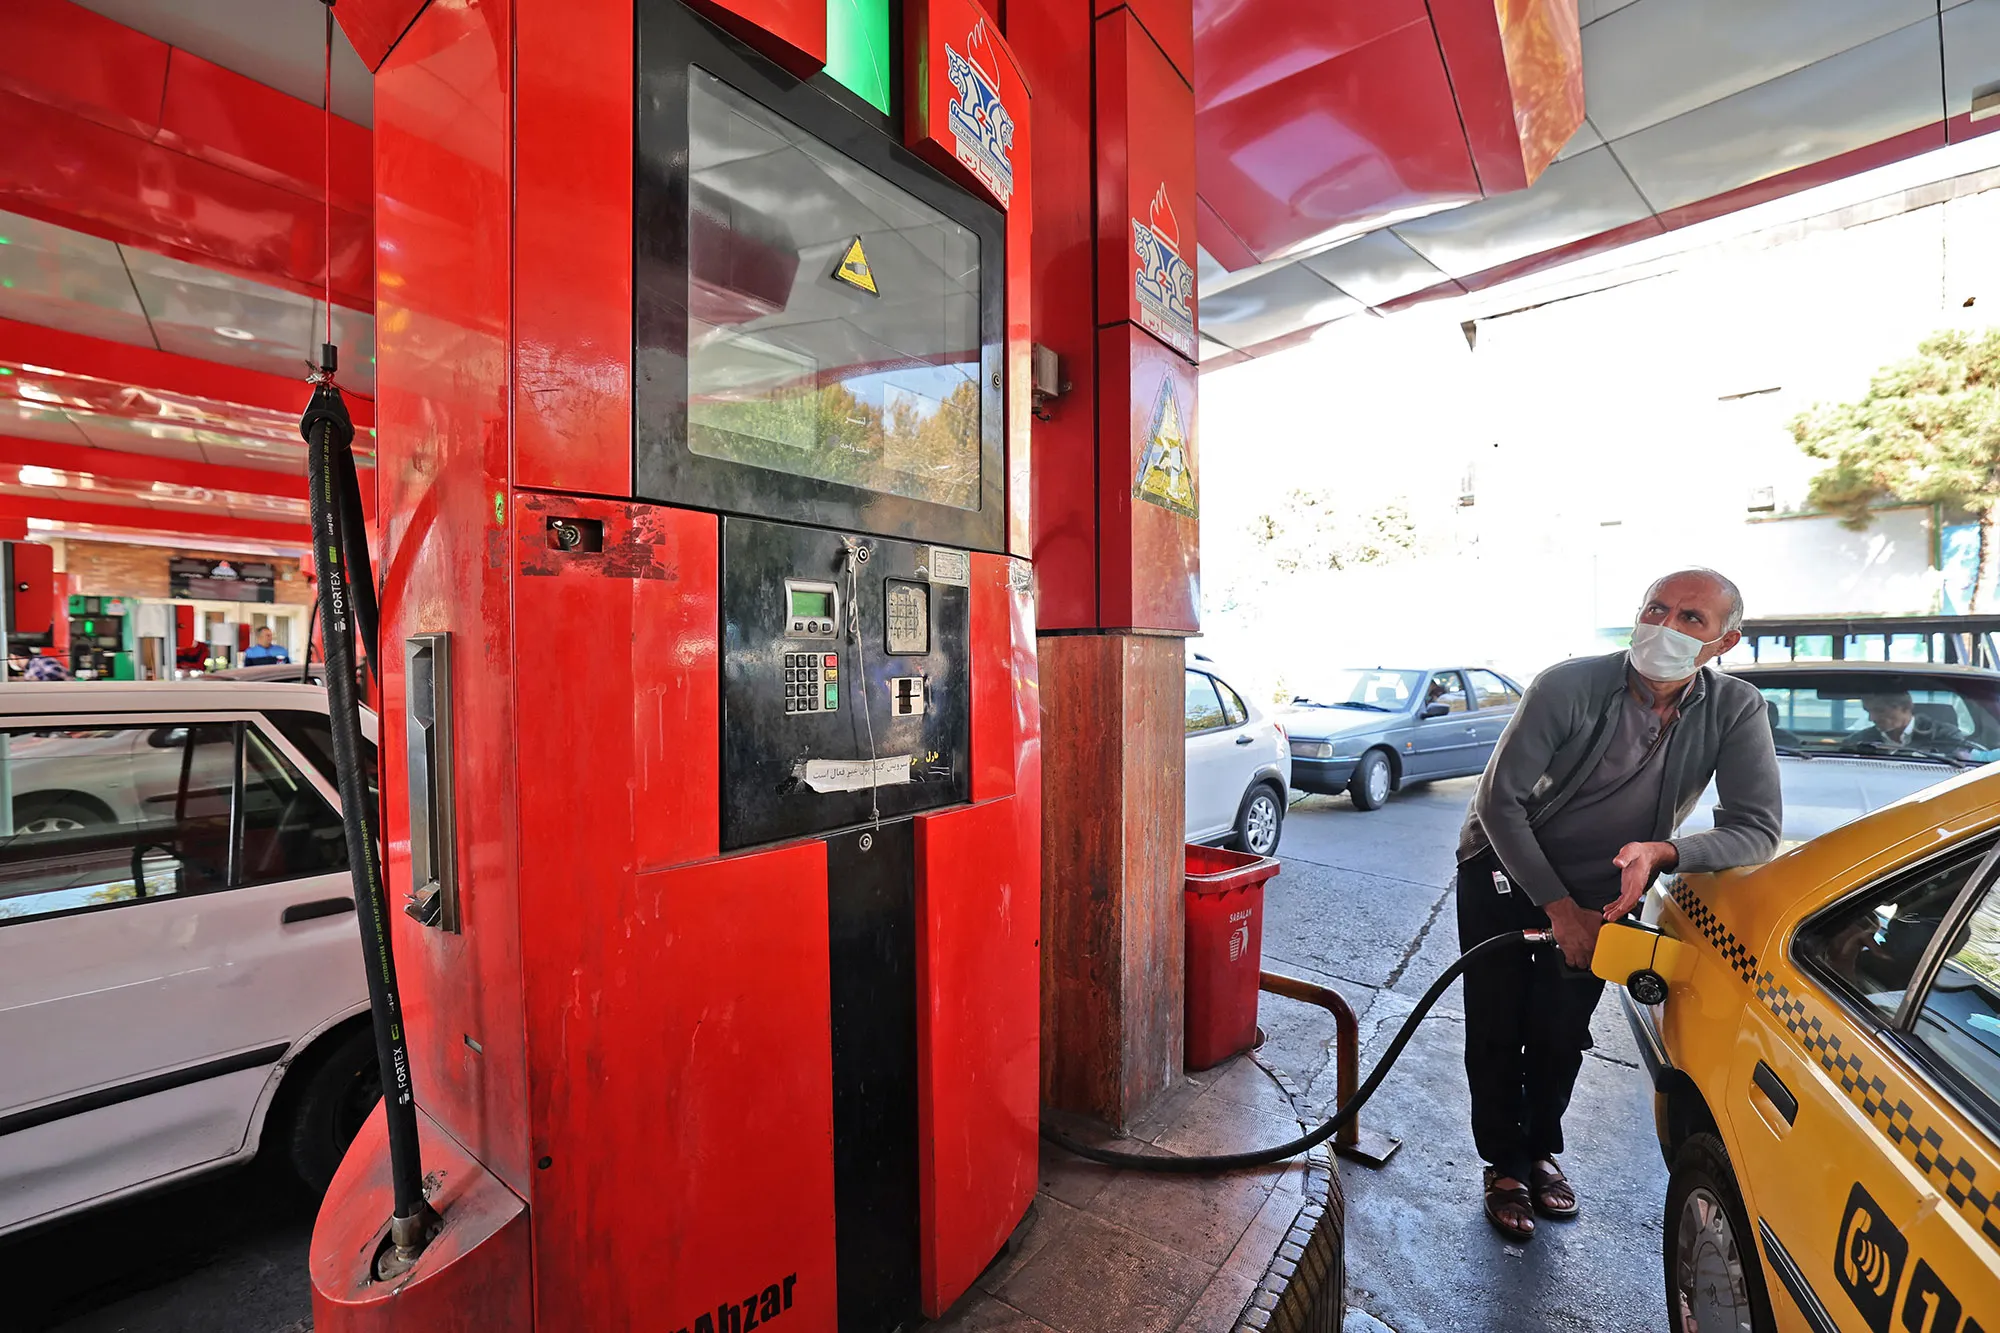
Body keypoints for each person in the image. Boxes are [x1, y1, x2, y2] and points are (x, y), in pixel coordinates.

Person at [1456, 569, 1781, 1242]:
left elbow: (1757, 827)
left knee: (1561, 1028)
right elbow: (1499, 802)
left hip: (1609, 895)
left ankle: (1539, 1148)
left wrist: (1662, 853)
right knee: (1494, 1025)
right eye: (1656, 608)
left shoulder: (1734, 708)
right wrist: (1558, 908)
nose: (1665, 626)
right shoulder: (1567, 685)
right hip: (1505, 869)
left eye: (1691, 618)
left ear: (1724, 642)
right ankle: (1503, 1164)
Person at [1841, 691, 1973, 760]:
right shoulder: (1856, 742)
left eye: (1880, 711)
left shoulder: (1946, 737)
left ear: (1906, 707)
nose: (1872, 718)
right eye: (1868, 711)